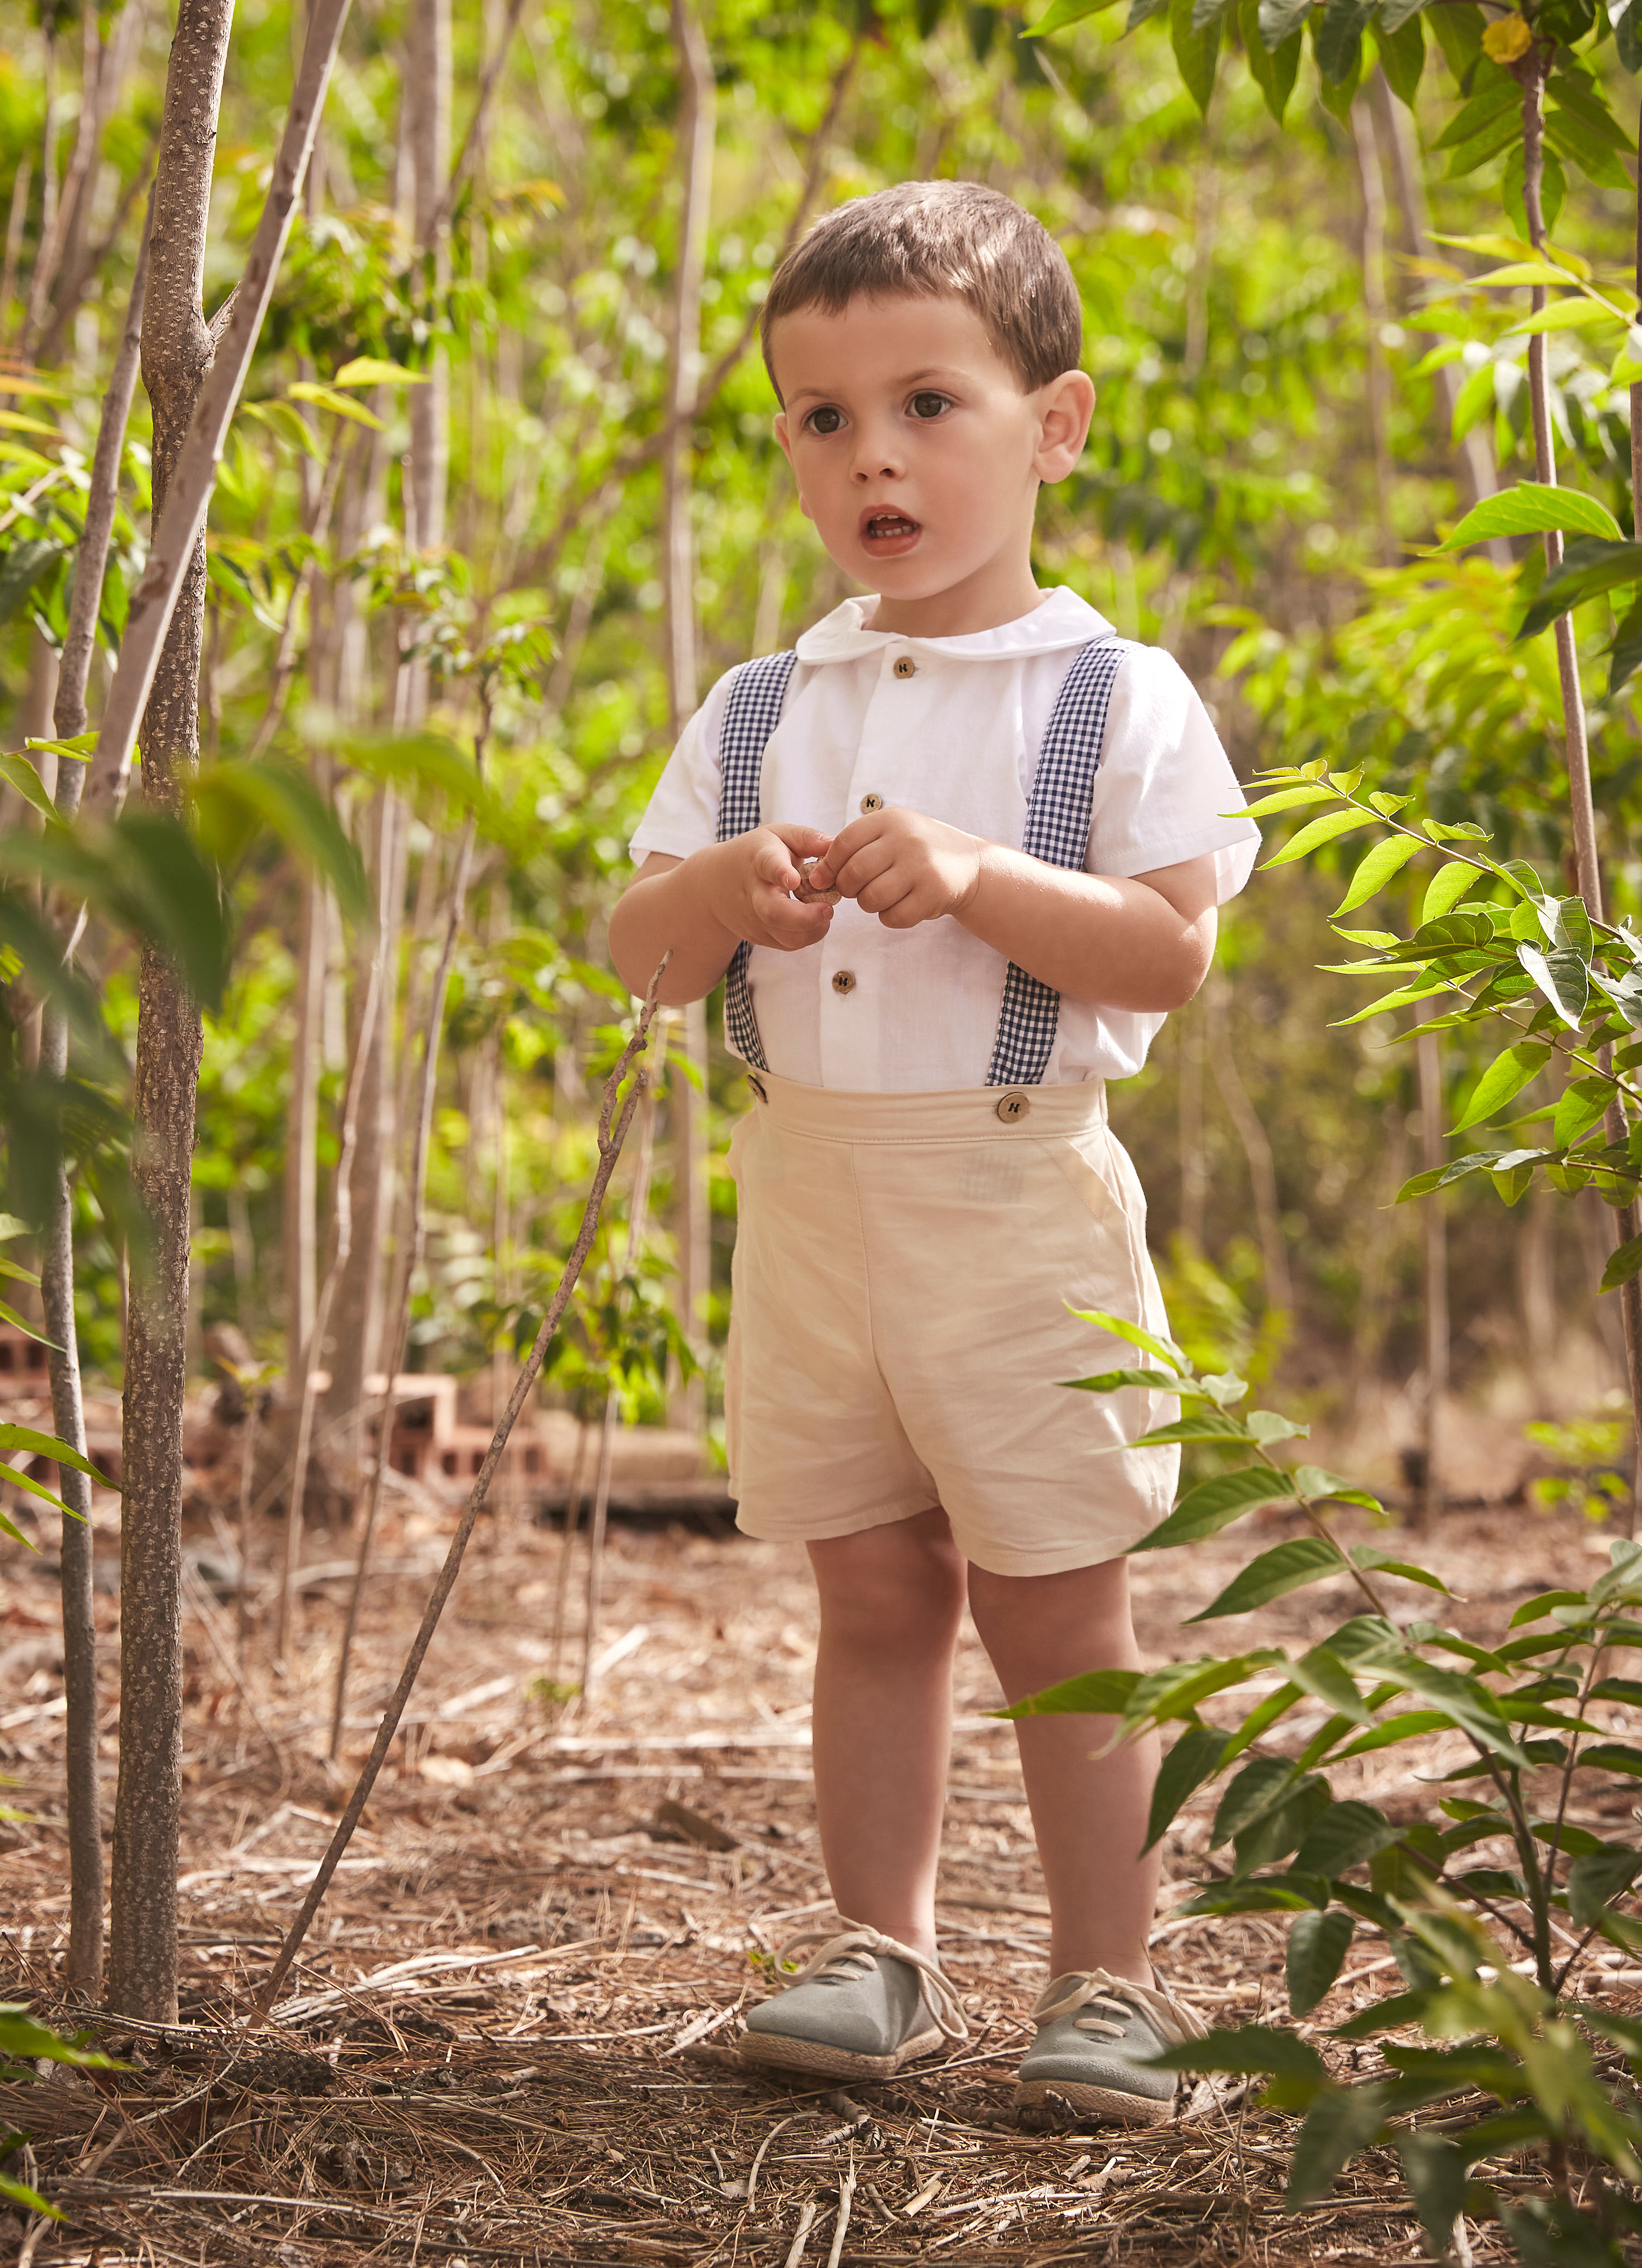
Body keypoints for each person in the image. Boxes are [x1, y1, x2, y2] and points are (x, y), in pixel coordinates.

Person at [610, 181, 1259, 2127]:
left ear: (1050, 426)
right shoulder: (762, 708)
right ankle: (878, 1947)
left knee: (1061, 1593)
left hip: (1015, 1192)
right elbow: (644, 957)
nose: (872, 454)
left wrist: (986, 877)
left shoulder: (1107, 692)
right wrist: (723, 886)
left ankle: (1111, 1981)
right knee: (875, 1586)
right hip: (814, 1206)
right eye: (824, 419)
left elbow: (1170, 949)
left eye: (927, 405)